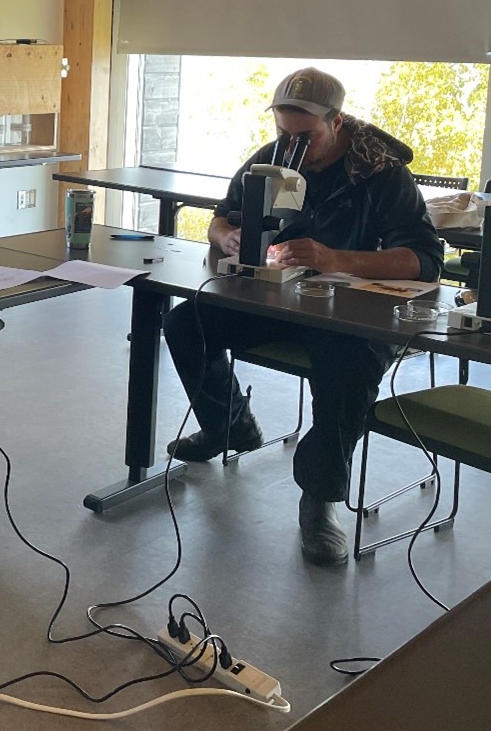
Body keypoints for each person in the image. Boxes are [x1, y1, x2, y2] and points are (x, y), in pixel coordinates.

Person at [162, 67, 443, 567]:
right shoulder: (272, 158)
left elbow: (424, 261)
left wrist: (337, 258)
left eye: (305, 136)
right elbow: (221, 216)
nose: (292, 147)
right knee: (187, 322)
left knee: (347, 368)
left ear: (336, 121)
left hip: (353, 311)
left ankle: (320, 499)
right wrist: (225, 236)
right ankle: (229, 428)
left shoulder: (381, 173)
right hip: (285, 299)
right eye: (283, 133)